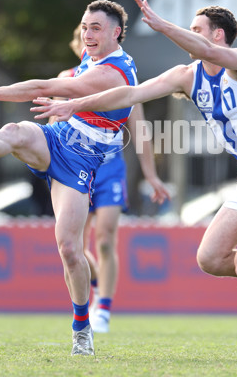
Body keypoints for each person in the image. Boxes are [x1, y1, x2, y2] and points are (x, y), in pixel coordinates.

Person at [31, 0, 237, 360]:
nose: (191, 36)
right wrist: (76, 103)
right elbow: (132, 93)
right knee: (211, 258)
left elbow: (207, 51)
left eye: (197, 30)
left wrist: (163, 25)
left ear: (218, 36)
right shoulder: (187, 76)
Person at [0, 0, 138, 357]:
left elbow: (45, 85)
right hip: (57, 139)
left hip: (80, 165)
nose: (87, 34)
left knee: (70, 249)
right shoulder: (92, 58)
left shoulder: (113, 71)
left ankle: (82, 328)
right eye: (84, 26)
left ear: (116, 33)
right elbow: (49, 91)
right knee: (17, 131)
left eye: (96, 28)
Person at [58, 26, 171, 333]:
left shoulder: (121, 77)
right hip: (75, 166)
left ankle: (104, 308)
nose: (88, 42)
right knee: (74, 247)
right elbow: (54, 123)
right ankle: (92, 287)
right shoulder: (66, 79)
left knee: (105, 238)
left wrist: (151, 175)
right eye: (82, 38)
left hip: (109, 168)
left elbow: (140, 128)